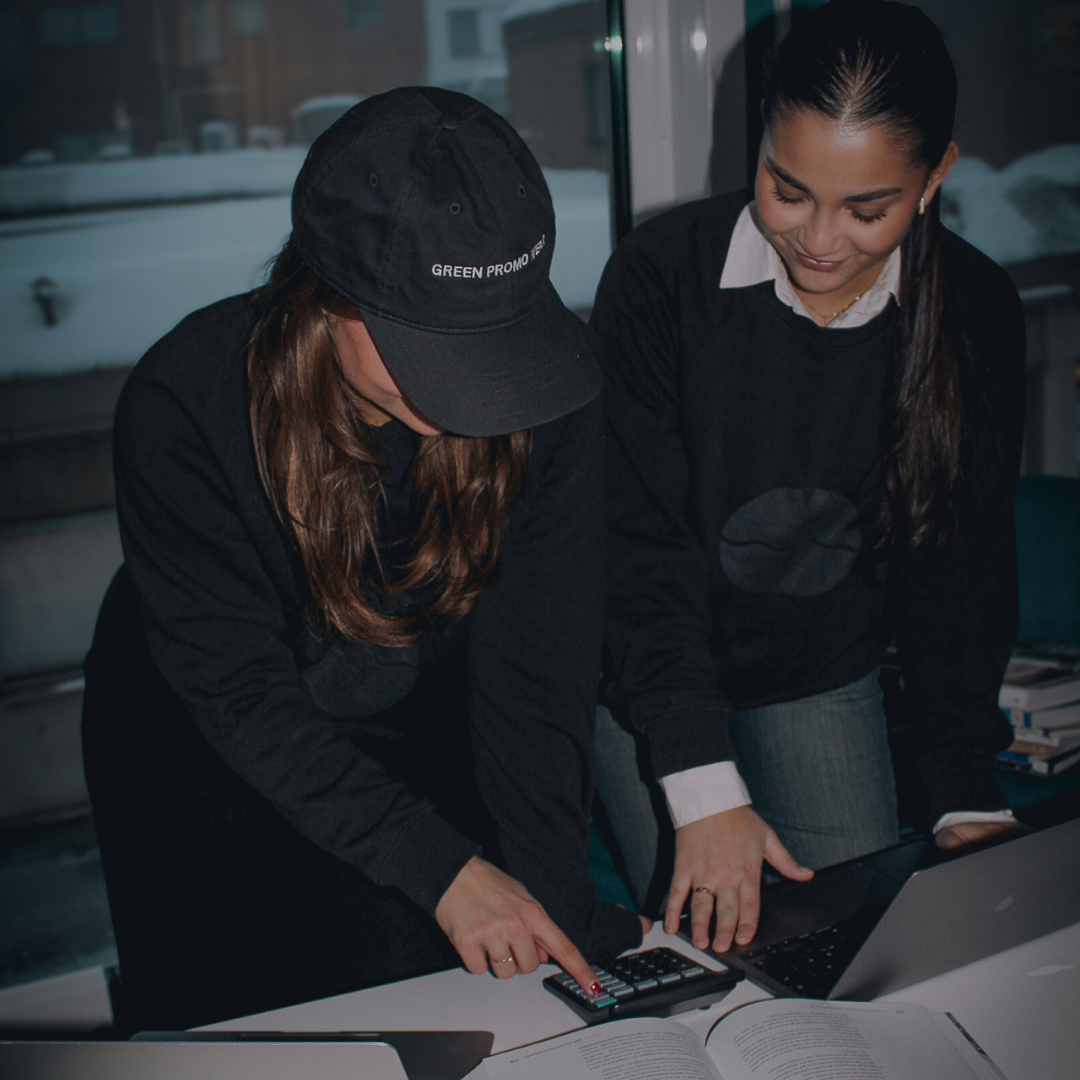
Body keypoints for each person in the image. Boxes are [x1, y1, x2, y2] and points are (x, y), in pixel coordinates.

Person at [82, 87, 642, 1032]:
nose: (478, 390)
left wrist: (546, 911)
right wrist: (441, 868)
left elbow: (538, 675)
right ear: (328, 293)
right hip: (201, 723)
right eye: (430, 343)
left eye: (496, 339)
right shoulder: (183, 404)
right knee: (249, 1023)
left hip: (410, 693)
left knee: (439, 980)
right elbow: (241, 697)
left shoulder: (553, 395)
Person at [591, 0, 1025, 958]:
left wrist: (962, 786)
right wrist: (701, 783)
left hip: (819, 673)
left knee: (863, 950)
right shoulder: (659, 278)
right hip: (644, 677)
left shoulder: (977, 308)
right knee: (713, 954)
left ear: (938, 173)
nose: (820, 238)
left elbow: (963, 565)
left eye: (870, 209)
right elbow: (639, 550)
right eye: (788, 191)